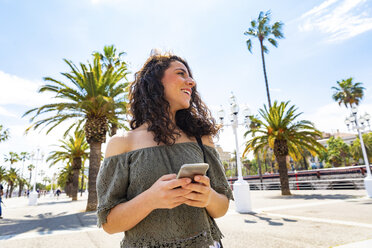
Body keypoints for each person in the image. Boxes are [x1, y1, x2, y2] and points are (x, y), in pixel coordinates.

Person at [96, 53, 233, 248]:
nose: (191, 82)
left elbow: (222, 206)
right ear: (154, 81)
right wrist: (150, 199)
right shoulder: (122, 143)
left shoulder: (201, 138)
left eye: (190, 76)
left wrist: (208, 196)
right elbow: (109, 223)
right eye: (181, 73)